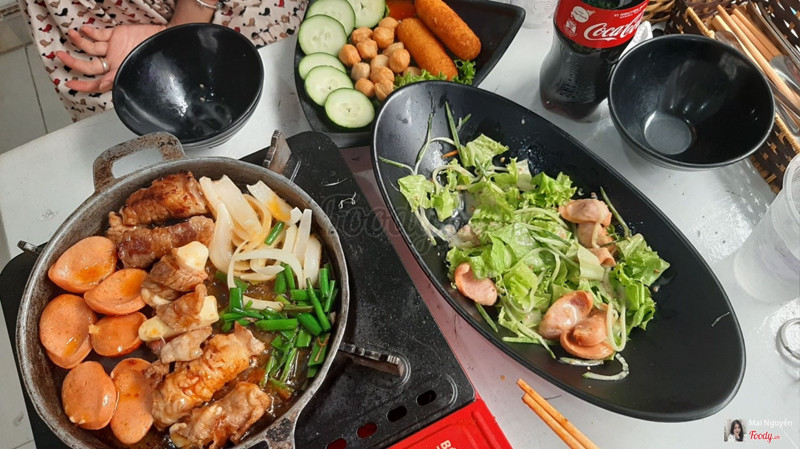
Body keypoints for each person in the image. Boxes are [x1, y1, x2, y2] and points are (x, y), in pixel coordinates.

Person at [21, 0, 306, 121]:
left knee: (274, 111)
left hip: (202, 9)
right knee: (129, 130)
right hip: (83, 15)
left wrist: (184, 22)